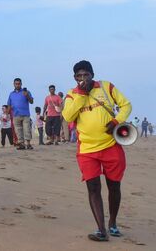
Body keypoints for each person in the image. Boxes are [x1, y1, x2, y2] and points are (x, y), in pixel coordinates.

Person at [62, 60, 132, 242]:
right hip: (86, 149)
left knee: (114, 187)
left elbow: (126, 105)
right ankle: (101, 230)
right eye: (79, 76)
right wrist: (81, 95)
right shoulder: (71, 95)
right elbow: (68, 116)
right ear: (75, 78)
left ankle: (113, 223)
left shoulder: (106, 87)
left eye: (86, 75)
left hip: (111, 146)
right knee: (93, 188)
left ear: (93, 74)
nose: (83, 79)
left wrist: (117, 121)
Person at [7, 78, 34, 150]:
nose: (17, 85)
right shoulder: (11, 94)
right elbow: (9, 105)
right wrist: (7, 114)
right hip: (15, 115)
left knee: (27, 129)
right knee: (18, 130)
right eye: (16, 84)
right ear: (14, 84)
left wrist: (27, 96)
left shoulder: (26, 92)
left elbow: (31, 101)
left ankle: (28, 144)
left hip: (25, 115)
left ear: (21, 84)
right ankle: (21, 144)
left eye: (19, 84)